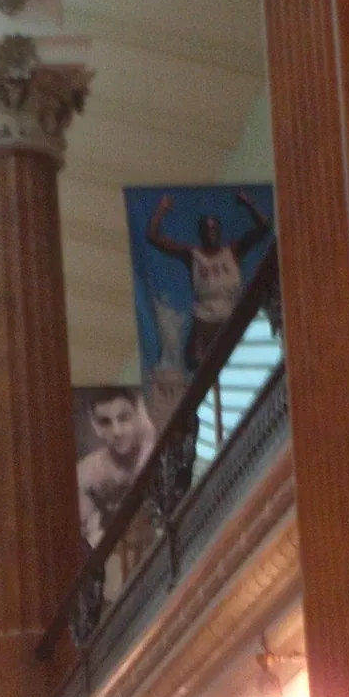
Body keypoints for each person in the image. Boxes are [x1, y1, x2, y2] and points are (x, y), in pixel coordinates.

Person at [145, 190, 273, 368]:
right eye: (207, 229)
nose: (210, 232)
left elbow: (264, 228)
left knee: (240, 363)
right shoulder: (192, 255)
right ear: (201, 233)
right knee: (194, 362)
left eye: (214, 228)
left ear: (219, 231)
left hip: (230, 316)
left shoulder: (232, 251)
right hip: (204, 319)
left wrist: (248, 203)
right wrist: (161, 209)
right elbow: (153, 237)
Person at [77, 387, 159, 548]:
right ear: (95, 426)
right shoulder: (86, 474)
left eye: (124, 418)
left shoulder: (156, 457)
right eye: (105, 422)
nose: (117, 431)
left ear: (138, 417)